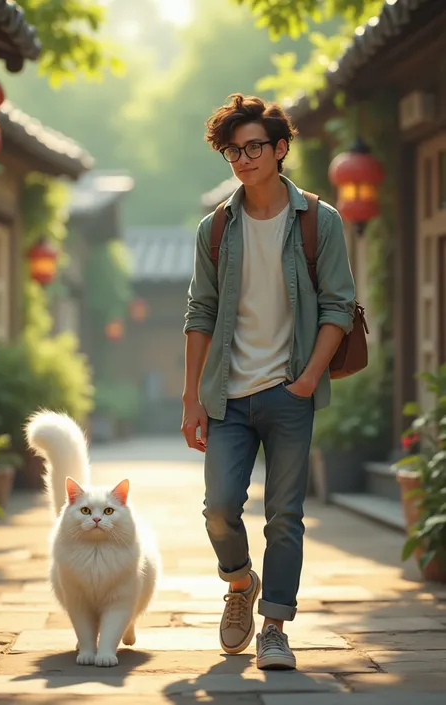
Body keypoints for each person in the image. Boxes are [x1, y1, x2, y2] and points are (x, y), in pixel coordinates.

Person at [181, 93, 355, 670]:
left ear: (281, 149)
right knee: (219, 508)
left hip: (288, 391)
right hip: (227, 394)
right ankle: (239, 584)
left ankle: (275, 626)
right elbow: (200, 313)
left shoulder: (318, 221)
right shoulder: (217, 228)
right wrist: (192, 399)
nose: (243, 158)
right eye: (234, 150)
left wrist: (306, 380)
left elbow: (338, 305)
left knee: (285, 515)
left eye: (255, 146)